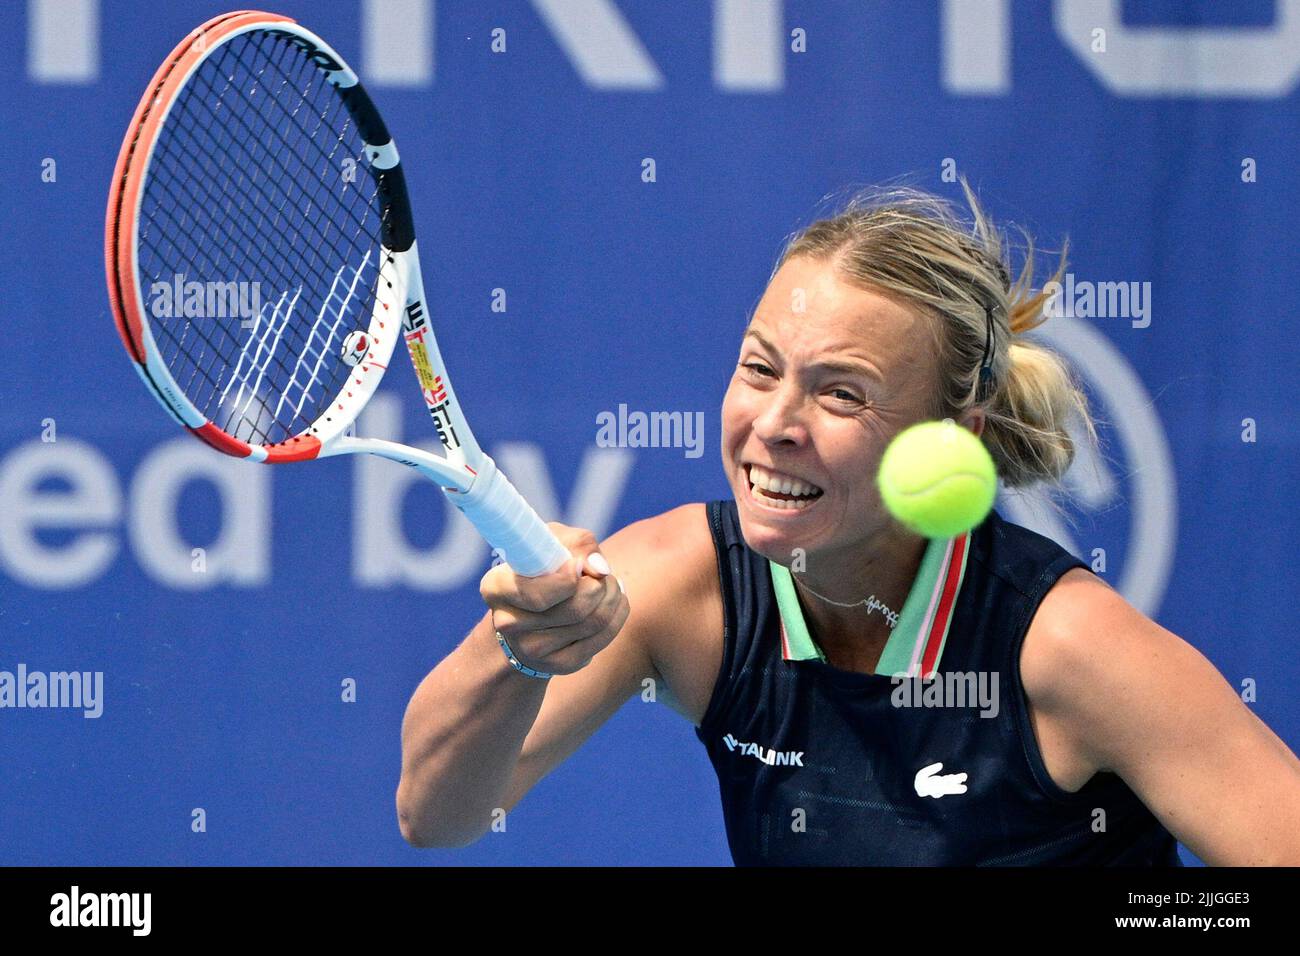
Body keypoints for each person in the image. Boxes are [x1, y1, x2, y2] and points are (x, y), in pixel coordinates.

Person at [396, 181, 1300, 865]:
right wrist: (517, 648)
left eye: (840, 393)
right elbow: (435, 815)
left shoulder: (1067, 649)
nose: (776, 424)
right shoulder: (684, 589)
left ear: (952, 442)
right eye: (759, 368)